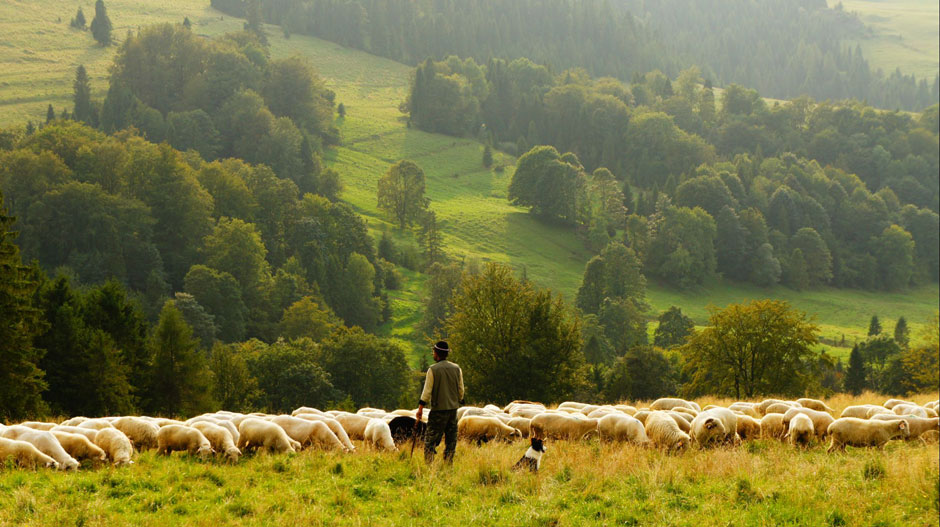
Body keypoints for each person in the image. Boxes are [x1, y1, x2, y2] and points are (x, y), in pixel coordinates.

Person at [416, 341, 464, 463]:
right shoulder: (457, 368)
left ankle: (429, 465)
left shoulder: (433, 370)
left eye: (433, 351)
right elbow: (461, 390)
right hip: (453, 410)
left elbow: (427, 392)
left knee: (430, 440)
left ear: (436, 353)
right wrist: (458, 400)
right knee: (451, 440)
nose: (433, 354)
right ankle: (448, 464)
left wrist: (420, 408)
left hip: (438, 411)